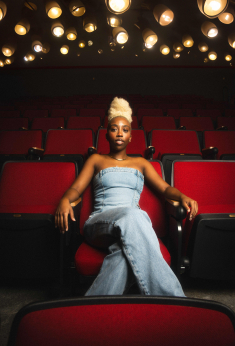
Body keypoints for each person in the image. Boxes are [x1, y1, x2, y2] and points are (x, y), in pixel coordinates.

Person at [55, 97, 198, 297]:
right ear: (107, 135)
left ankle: (91, 310)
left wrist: (182, 196)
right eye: (114, 128)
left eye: (125, 129)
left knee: (124, 254)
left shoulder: (141, 163)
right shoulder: (96, 160)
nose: (120, 133)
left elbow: (165, 189)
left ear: (131, 136)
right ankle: (173, 300)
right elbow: (76, 189)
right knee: (134, 216)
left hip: (133, 225)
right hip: (100, 224)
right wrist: (64, 200)